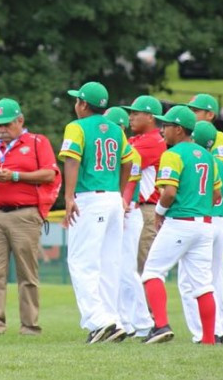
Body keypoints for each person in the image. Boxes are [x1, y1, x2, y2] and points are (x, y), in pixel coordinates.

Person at [60, 82, 139, 344]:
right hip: (113, 199)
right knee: (109, 263)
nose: (76, 105)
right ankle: (113, 320)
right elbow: (128, 161)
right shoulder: (116, 129)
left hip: (89, 198)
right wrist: (119, 192)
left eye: (77, 100)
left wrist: (68, 196)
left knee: (82, 262)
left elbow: (72, 159)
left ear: (83, 104)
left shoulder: (77, 127)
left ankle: (99, 321)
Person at [140, 105, 222, 345]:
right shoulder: (207, 156)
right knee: (203, 285)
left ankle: (161, 326)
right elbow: (217, 194)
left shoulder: (173, 154)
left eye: (166, 125)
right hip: (205, 225)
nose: (162, 129)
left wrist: (159, 212)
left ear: (178, 129)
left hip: (180, 222)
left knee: (152, 272)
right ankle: (209, 338)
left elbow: (169, 192)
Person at [0, 98, 59, 336]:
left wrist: (15, 176)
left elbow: (50, 174)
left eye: (7, 124)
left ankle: (29, 326)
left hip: (24, 214)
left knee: (27, 273)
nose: (2, 129)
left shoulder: (37, 142)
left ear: (20, 120)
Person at [179, 120, 223, 345]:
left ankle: (203, 333)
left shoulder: (193, 160)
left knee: (189, 280)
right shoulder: (218, 162)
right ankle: (220, 328)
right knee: (214, 276)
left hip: (204, 219)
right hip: (222, 218)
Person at [105, 106, 150, 340]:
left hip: (129, 212)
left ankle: (143, 322)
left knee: (126, 270)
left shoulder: (131, 152)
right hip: (119, 211)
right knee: (116, 268)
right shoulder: (113, 151)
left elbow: (130, 185)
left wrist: (121, 206)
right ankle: (124, 321)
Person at [122, 95, 167, 274]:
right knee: (131, 266)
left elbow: (120, 163)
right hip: (139, 209)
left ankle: (151, 295)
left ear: (150, 117)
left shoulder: (152, 141)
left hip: (147, 210)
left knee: (144, 269)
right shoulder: (138, 139)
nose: (130, 117)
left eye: (135, 113)